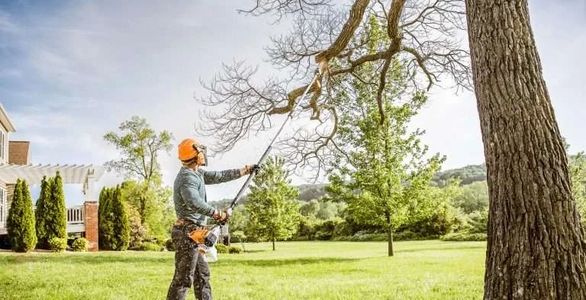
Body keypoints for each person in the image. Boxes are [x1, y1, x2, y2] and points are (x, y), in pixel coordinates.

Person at [167, 138, 256, 300]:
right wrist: (216, 213)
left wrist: (245, 170)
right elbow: (194, 202)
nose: (203, 153)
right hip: (187, 233)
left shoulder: (197, 173)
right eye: (200, 151)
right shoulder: (187, 178)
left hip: (195, 232)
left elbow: (219, 176)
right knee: (183, 280)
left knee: (202, 277)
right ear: (194, 154)